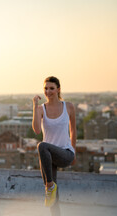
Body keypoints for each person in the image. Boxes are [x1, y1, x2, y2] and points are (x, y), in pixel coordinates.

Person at [32, 76, 76, 207]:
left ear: (58, 89)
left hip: (65, 153)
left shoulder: (68, 106)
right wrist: (35, 107)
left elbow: (73, 130)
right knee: (52, 199)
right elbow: (37, 131)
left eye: (51, 88)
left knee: (41, 145)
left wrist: (75, 152)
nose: (48, 91)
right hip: (48, 157)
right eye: (45, 88)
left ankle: (50, 185)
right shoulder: (41, 109)